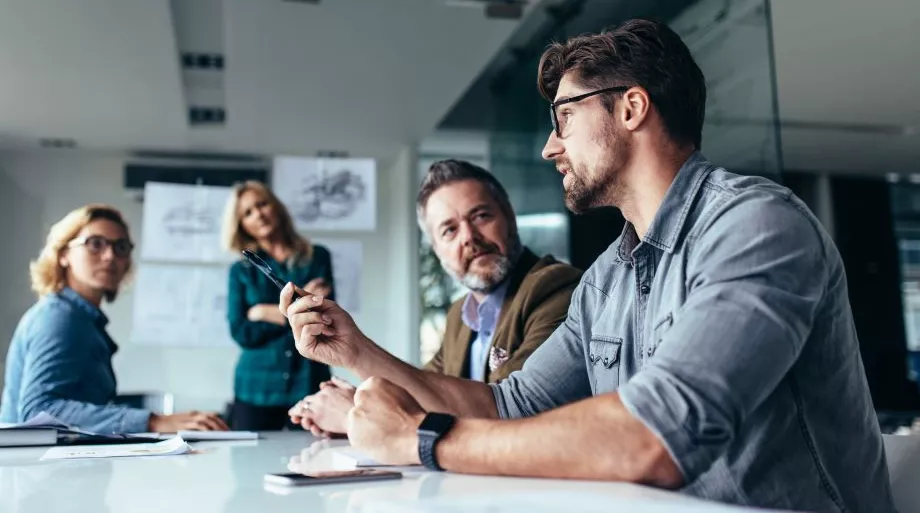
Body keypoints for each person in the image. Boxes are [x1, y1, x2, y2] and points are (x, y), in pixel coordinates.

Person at [280, 19, 896, 513]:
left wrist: (422, 440)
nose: (550, 145)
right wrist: (355, 352)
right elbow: (507, 405)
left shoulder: (757, 226)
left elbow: (656, 435)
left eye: (565, 117)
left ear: (631, 108)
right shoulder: (606, 278)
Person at [288, 160, 582, 435]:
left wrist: (354, 414)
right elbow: (423, 393)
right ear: (437, 250)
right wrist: (358, 402)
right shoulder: (460, 315)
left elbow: (507, 412)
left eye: (481, 216)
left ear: (509, 218)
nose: (468, 236)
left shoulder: (556, 288)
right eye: (449, 230)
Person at [0, 204, 227, 433]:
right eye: (95, 244)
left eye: (120, 247)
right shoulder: (59, 317)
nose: (110, 256)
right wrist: (152, 421)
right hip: (35, 466)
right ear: (63, 254)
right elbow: (39, 411)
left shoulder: (83, 319)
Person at [223, 181, 334, 431]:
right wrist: (295, 312)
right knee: (249, 465)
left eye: (262, 204)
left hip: (308, 382)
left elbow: (322, 318)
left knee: (313, 460)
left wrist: (262, 312)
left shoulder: (317, 257)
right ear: (241, 225)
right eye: (247, 213)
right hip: (256, 388)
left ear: (276, 207)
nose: (258, 214)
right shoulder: (240, 271)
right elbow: (241, 332)